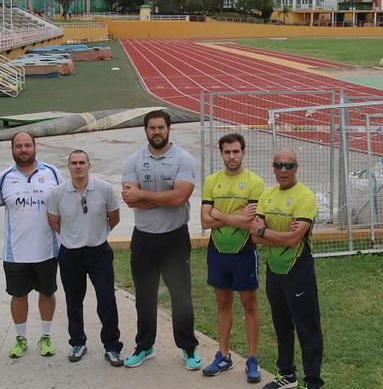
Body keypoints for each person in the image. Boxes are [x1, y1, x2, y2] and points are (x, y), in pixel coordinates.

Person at [121, 110, 202, 370]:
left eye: (161, 127)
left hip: (174, 238)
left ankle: (188, 349)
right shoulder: (133, 160)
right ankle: (145, 346)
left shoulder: (183, 159)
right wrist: (164, 197)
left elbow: (179, 198)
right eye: (152, 128)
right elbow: (130, 200)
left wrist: (144, 195)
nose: (157, 132)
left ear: (169, 129)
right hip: (144, 238)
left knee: (181, 297)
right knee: (145, 297)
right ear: (145, 131)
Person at [252, 150, 324, 389]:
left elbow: (294, 240)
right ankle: (287, 375)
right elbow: (255, 236)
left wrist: (266, 231)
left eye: (288, 165)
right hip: (274, 270)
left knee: (307, 327)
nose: (283, 170)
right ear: (273, 168)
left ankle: (313, 382)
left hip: (298, 269)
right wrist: (272, 234)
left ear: (296, 167)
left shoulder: (306, 197)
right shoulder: (267, 196)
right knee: (281, 324)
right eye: (278, 165)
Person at [0, 132, 63, 358]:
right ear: (12, 149)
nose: (23, 150)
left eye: (27, 145)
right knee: (18, 296)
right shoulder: (3, 178)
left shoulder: (52, 173)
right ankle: (20, 338)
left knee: (47, 293)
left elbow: (65, 204)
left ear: (35, 147)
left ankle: (46, 336)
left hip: (47, 250)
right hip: (16, 253)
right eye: (18, 146)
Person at [47, 150, 124, 366]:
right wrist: (72, 237)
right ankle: (78, 342)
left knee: (107, 299)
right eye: (74, 163)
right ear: (68, 166)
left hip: (98, 252)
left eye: (82, 162)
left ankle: (111, 346)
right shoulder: (58, 193)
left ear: (90, 165)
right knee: (74, 301)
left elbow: (114, 216)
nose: (78, 166)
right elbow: (54, 221)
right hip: (70, 254)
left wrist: (99, 233)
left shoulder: (104, 189)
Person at [200, 133, 265, 383]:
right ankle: (224, 356)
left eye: (236, 151)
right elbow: (204, 221)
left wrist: (218, 213)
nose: (232, 156)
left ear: (243, 152)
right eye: (227, 152)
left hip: (244, 253)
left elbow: (252, 221)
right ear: (221, 154)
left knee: (249, 305)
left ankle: (252, 359)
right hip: (217, 252)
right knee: (223, 304)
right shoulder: (212, 181)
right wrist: (235, 216)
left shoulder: (254, 182)